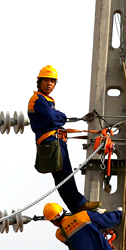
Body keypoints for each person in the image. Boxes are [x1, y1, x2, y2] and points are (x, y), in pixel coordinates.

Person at [28, 66, 100, 213]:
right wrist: (62, 117)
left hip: (53, 141)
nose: (49, 84)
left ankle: (76, 205)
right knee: (64, 175)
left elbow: (54, 118)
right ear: (39, 81)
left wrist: (58, 117)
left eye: (52, 81)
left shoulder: (46, 100)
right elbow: (52, 119)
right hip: (51, 142)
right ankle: (78, 204)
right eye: (46, 80)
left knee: (63, 175)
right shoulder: (38, 99)